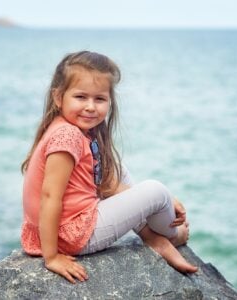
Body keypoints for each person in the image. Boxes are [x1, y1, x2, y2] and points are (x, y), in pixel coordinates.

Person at [20, 50, 198, 284]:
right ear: (58, 97)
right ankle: (172, 235)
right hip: (72, 234)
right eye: (81, 97)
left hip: (65, 227)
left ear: (110, 101)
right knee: (156, 190)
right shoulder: (68, 137)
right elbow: (50, 196)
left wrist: (147, 202)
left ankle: (151, 235)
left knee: (117, 169)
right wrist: (52, 257)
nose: (91, 107)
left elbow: (103, 181)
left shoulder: (67, 127)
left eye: (99, 99)